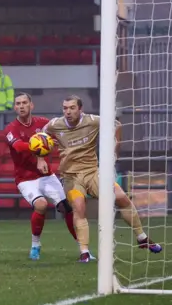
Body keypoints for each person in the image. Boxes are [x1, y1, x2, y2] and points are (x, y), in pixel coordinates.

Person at [43, 95, 162, 262]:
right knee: (79, 207)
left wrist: (115, 150)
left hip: (93, 172)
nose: (68, 111)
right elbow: (40, 135)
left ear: (80, 109)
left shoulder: (92, 121)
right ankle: (84, 252)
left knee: (121, 198)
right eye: (65, 108)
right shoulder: (56, 124)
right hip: (71, 177)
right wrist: (40, 156)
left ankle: (141, 237)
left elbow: (117, 125)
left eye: (72, 108)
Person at [3, 93, 79, 260]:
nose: (21, 106)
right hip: (25, 179)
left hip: (46, 175)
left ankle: (83, 248)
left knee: (66, 208)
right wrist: (40, 153)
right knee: (41, 205)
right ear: (14, 107)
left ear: (32, 105)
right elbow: (19, 147)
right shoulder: (10, 128)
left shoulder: (43, 124)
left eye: (24, 103)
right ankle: (35, 245)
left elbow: (61, 131)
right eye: (18, 103)